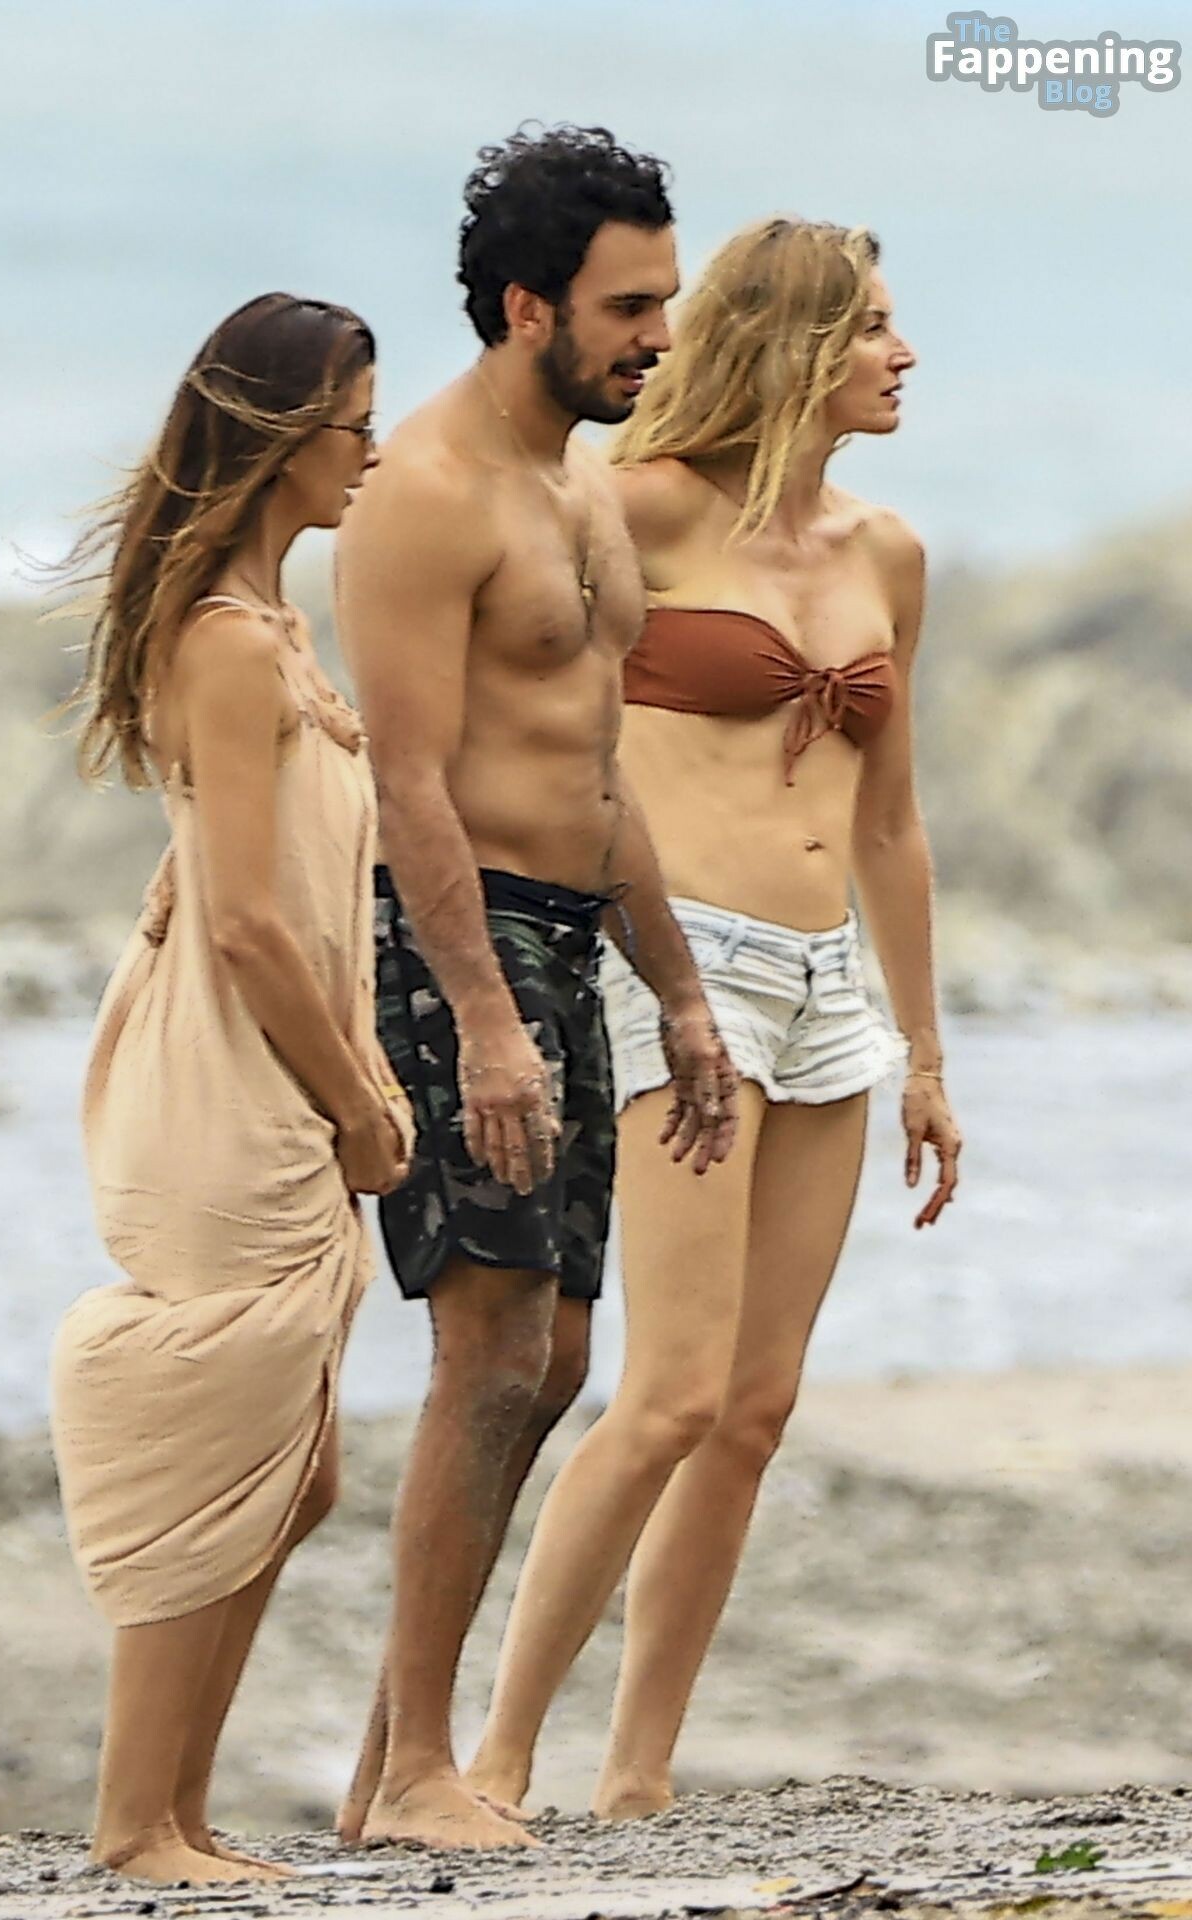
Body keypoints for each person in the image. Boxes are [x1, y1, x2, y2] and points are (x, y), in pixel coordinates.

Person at [467, 217, 963, 1821]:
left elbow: (891, 821)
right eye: (871, 327)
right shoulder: (638, 506)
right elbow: (512, 683)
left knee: (752, 1411)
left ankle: (637, 1774)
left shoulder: (889, 553)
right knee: (671, 1391)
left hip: (827, 992)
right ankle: (494, 1757)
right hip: (685, 974)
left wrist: (925, 1050)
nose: (901, 354)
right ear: (788, 344)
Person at [334, 126, 738, 1852]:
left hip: (571, 934)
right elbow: (409, 784)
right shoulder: (425, 494)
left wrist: (683, 993)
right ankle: (420, 1768)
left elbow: (598, 767)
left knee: (557, 1357)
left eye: (667, 299)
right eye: (630, 307)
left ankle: (386, 1769)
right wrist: (485, 1026)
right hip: (457, 937)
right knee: (491, 1347)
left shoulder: (579, 488)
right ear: (526, 307)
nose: (661, 336)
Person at [49, 292, 413, 1885]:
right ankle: (136, 1824)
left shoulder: (274, 629)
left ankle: (178, 1814)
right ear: (280, 440)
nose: (372, 457)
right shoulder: (221, 640)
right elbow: (252, 922)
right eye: (355, 430)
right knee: (221, 1440)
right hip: (228, 1083)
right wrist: (357, 1101)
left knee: (295, 1461)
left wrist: (357, 1070)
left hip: (279, 1067)